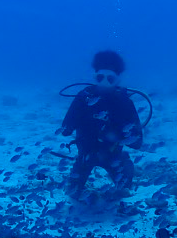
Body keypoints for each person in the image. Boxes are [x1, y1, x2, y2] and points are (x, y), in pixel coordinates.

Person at [59, 50, 144, 198]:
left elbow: (137, 142)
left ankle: (125, 163)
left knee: (124, 191)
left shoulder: (124, 102)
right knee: (73, 193)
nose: (104, 83)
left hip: (113, 155)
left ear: (117, 80)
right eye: (100, 77)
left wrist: (114, 135)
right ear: (95, 77)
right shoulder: (84, 97)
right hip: (86, 154)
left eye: (110, 79)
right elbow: (65, 129)